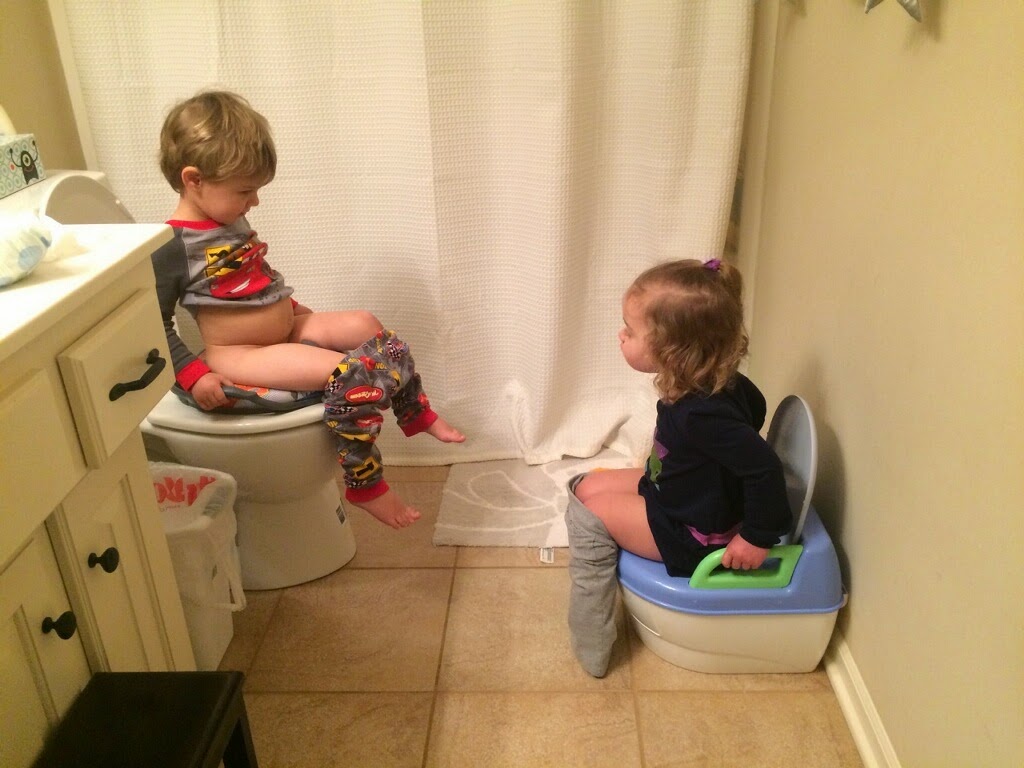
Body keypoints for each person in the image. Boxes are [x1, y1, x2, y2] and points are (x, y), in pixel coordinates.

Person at [151, 90, 464, 529]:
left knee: (367, 326)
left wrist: (292, 310)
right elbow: (150, 323)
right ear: (194, 180)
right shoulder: (170, 246)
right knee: (350, 372)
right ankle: (365, 483)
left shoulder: (227, 220)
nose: (254, 201)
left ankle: (413, 410)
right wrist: (193, 374)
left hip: (283, 329)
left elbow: (253, 279)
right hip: (241, 353)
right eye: (245, 190)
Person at [564, 258, 791, 677]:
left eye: (630, 331)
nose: (621, 335)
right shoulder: (721, 383)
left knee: (587, 515)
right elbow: (753, 418)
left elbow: (764, 469)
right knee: (584, 487)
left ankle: (592, 639)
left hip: (693, 533)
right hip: (679, 497)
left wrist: (756, 537)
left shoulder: (703, 414)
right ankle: (616, 545)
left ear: (671, 350)